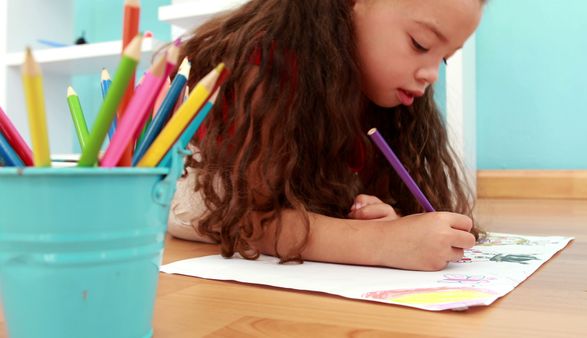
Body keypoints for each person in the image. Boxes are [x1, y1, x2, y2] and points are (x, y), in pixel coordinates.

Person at [169, 0, 486, 271]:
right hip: (199, 203)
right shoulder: (266, 65)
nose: (431, 74)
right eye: (420, 44)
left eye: (444, 58)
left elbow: (319, 205)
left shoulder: (380, 94)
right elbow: (251, 223)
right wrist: (382, 241)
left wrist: (386, 219)